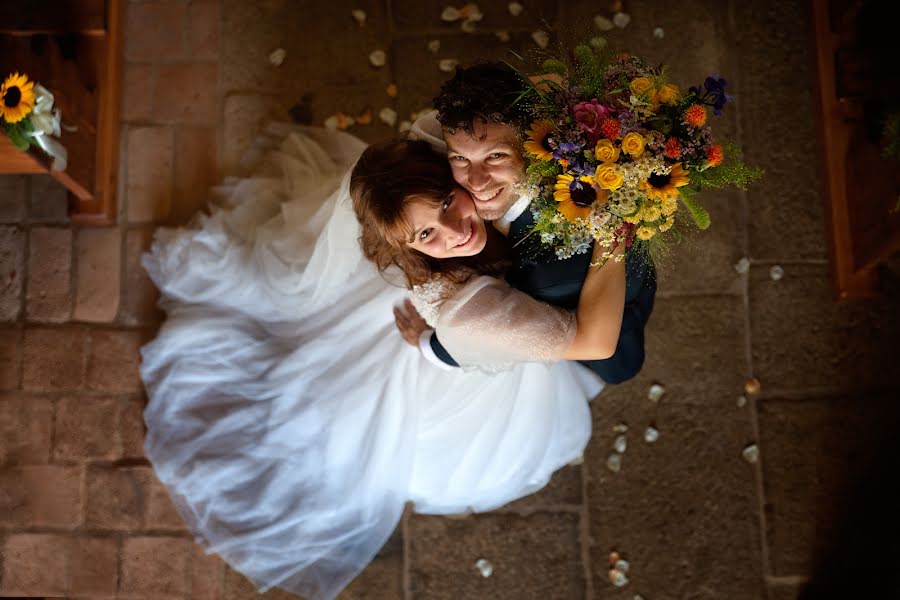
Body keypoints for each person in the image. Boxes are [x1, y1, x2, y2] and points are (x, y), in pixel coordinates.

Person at [139, 123, 609, 600]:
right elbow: (476, 346)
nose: (457, 229)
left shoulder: (460, 174)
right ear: (409, 247)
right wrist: (428, 345)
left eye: (448, 201)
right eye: (428, 232)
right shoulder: (455, 302)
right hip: (467, 348)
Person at [407, 62, 657, 383]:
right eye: (460, 158)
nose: (476, 181)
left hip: (609, 318)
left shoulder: (558, 266)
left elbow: (493, 330)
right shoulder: (451, 184)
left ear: (535, 141)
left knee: (621, 368)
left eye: (495, 156)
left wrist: (435, 347)